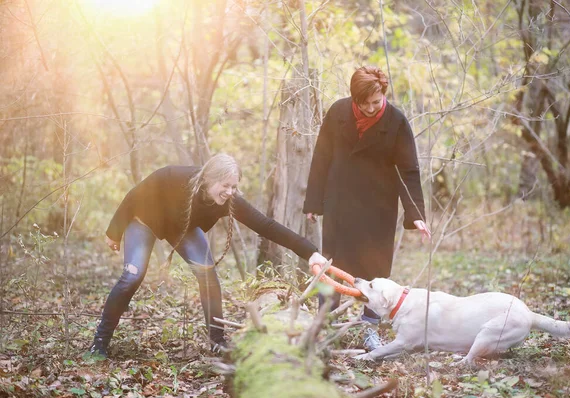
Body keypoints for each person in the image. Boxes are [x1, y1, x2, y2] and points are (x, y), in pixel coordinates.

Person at [90, 153, 328, 358]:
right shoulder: (173, 177)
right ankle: (100, 342)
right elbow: (134, 196)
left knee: (209, 277)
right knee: (133, 276)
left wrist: (310, 252)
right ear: (208, 179)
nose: (229, 191)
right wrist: (114, 232)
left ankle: (217, 342)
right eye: (225, 185)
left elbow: (266, 226)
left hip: (182, 229)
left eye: (234, 186)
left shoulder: (228, 202)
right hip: (144, 221)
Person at [303, 66, 431, 351]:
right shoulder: (338, 113)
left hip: (378, 208)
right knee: (331, 267)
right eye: (365, 103)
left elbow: (408, 170)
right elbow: (321, 157)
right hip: (339, 202)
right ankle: (324, 327)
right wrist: (313, 201)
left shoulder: (396, 121)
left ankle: (370, 330)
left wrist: (416, 215)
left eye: (377, 101)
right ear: (354, 99)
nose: (372, 108)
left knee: (376, 271)